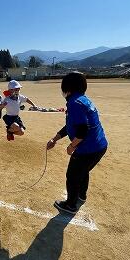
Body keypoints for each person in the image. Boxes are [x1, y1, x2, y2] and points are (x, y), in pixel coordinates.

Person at [46, 72, 108, 214]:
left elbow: (82, 130)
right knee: (83, 171)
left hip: (88, 149)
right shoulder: (82, 99)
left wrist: (71, 146)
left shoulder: (74, 103)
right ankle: (81, 195)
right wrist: (55, 139)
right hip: (100, 146)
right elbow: (71, 126)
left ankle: (70, 205)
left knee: (72, 176)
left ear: (67, 87)